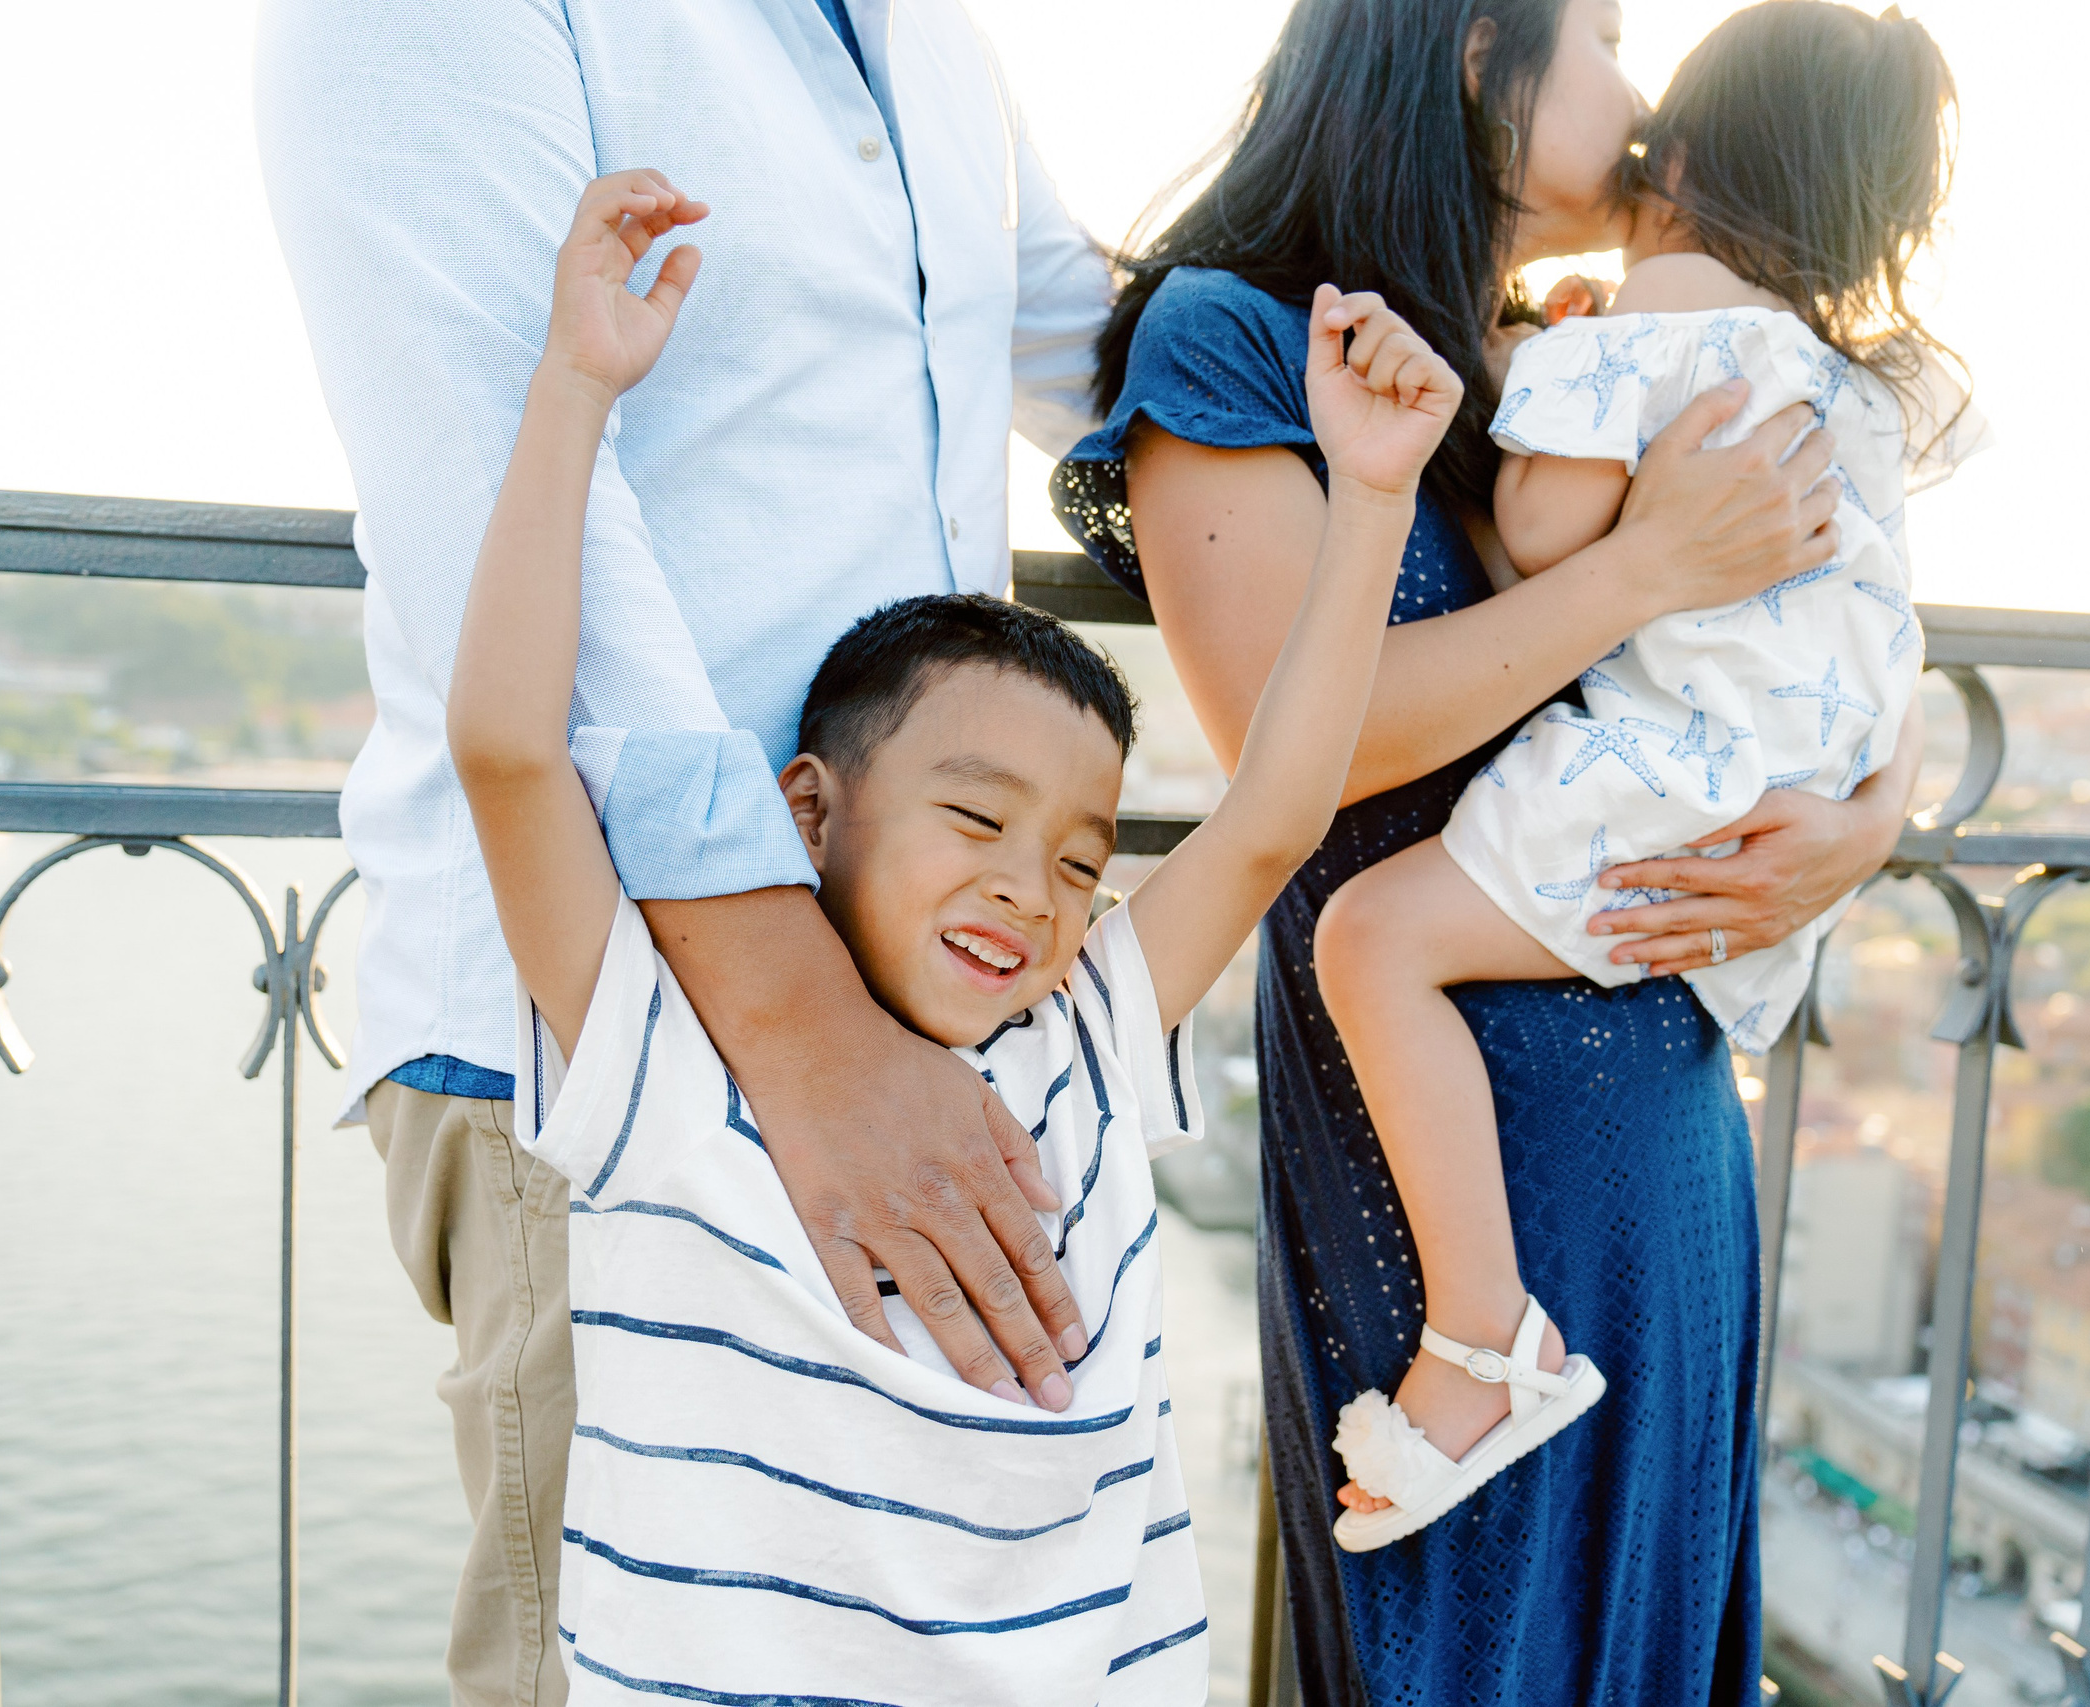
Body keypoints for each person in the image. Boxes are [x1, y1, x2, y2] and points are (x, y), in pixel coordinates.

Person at [447, 166, 1462, 1703]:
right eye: (975, 824)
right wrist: (578, 385)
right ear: (809, 810)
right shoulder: (669, 1059)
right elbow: (511, 753)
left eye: (1075, 863)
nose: (1029, 893)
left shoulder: (1089, 1040)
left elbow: (1269, 818)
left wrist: (1373, 495)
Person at [1055, 0, 1924, 1698]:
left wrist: (1865, 830)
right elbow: (1298, 745)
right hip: (1444, 1169)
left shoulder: (1578, 352)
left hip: (1664, 1118)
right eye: (1602, 32)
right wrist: (1640, 568)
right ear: (1476, 52)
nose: (1646, 87)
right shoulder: (1233, 338)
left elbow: (1839, 631)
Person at [255, 3, 1111, 1698]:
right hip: (607, 1023)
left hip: (907, 1044)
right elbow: (493, 506)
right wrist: (801, 1032)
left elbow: (1103, 361)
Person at [1314, 0, 1984, 1553]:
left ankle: (1485, 1342)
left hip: (1669, 771)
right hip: (1796, 780)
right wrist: (1875, 812)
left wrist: (1543, 363)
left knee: (1371, 940)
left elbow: (1548, 535)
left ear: (1681, 147)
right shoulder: (1846, 379)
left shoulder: (1656, 306)